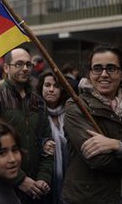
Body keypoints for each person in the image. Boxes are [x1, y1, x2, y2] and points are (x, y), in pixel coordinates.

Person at [62, 45, 122, 204]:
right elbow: (97, 159)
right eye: (97, 68)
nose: (104, 74)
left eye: (111, 68)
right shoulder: (76, 107)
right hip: (89, 198)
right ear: (90, 73)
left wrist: (118, 146)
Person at [0, 47, 53, 204]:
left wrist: (44, 178)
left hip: (36, 188)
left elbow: (47, 143)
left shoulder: (38, 102)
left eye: (28, 64)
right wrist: (20, 179)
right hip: (3, 187)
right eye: (19, 64)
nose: (25, 68)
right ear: (6, 68)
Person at [37, 71, 69, 204]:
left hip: (70, 178)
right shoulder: (34, 113)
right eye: (47, 85)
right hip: (44, 179)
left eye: (56, 86)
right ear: (41, 88)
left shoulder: (71, 113)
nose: (51, 90)